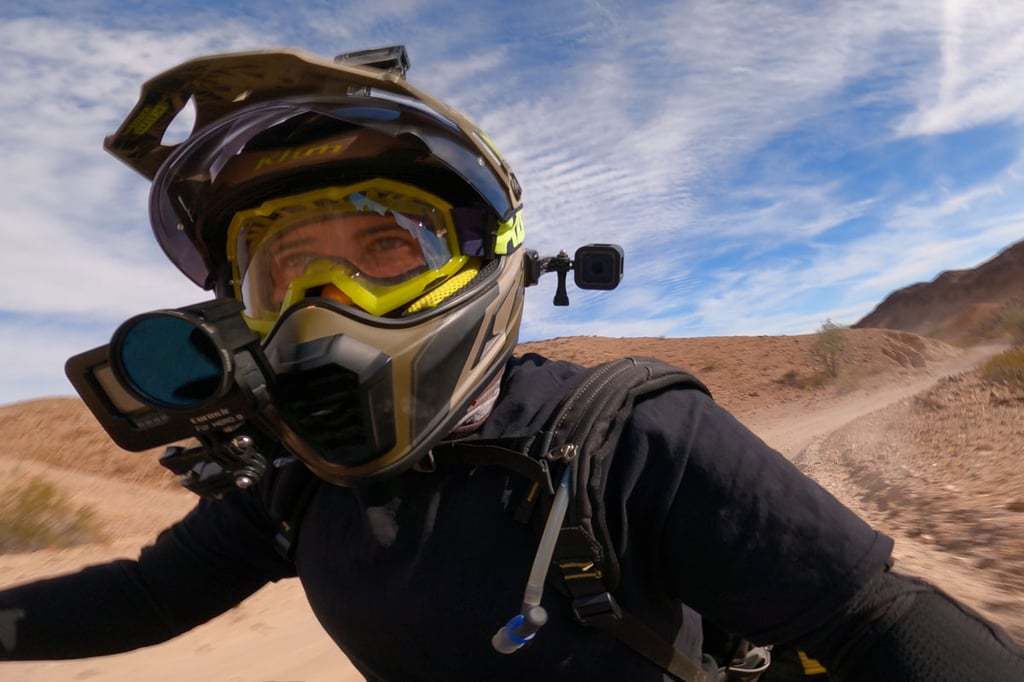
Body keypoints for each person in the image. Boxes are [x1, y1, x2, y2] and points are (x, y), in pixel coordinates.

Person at [1, 46, 1022, 682]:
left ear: (483, 263)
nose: (329, 307)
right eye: (287, 274)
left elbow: (873, 622)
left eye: (386, 250)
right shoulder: (292, 490)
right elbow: (135, 597)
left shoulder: (630, 436)